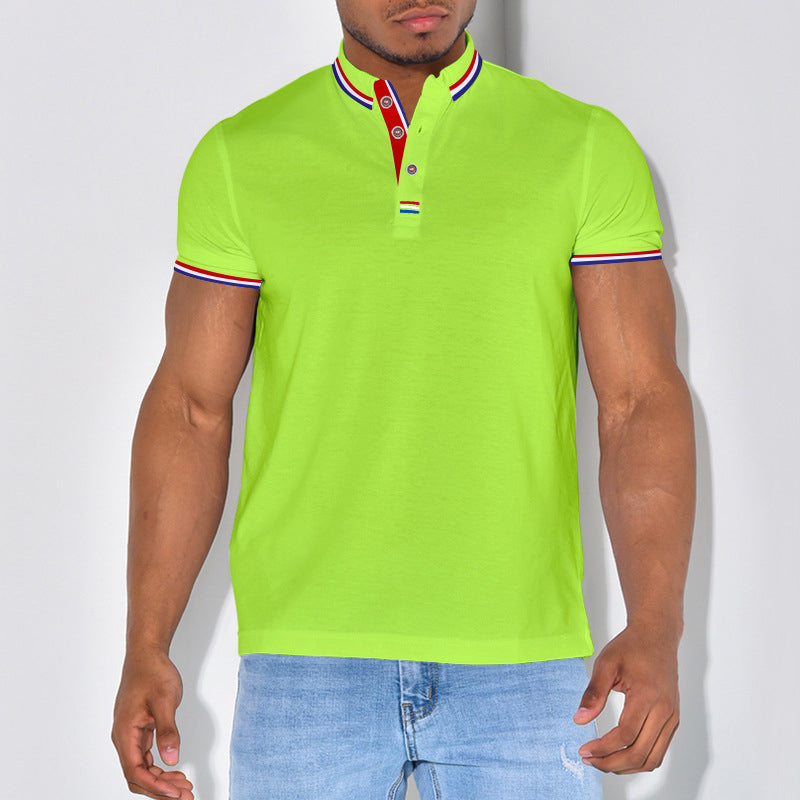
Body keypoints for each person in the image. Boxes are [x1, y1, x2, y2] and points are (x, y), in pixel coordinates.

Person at [111, 1, 696, 798]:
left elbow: (639, 400)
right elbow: (190, 408)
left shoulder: (586, 148)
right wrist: (146, 643)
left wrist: (657, 625)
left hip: (524, 667)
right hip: (306, 669)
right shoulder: (241, 157)